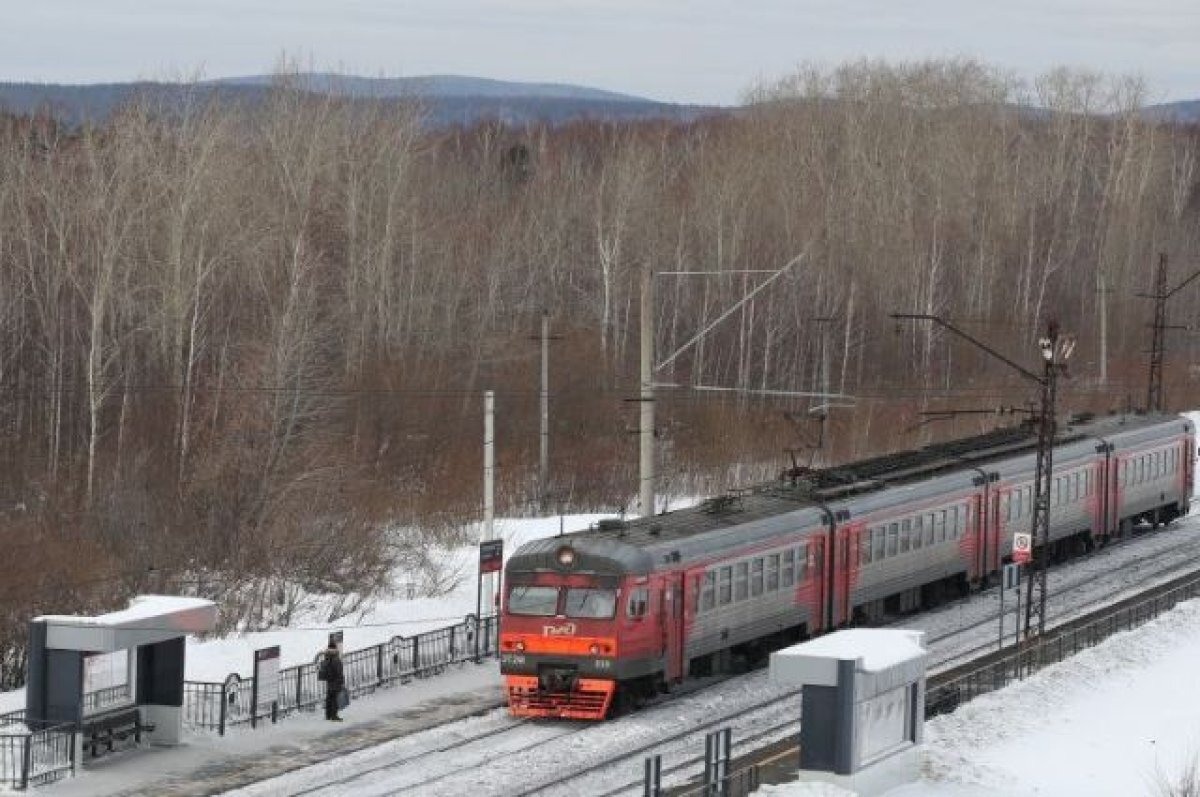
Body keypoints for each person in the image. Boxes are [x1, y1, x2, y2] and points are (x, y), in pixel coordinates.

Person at [318, 641, 345, 721]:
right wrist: (341, 681)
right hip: (336, 681)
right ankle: (334, 716)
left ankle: (328, 715)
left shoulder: (327, 656)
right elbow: (338, 671)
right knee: (334, 699)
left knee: (329, 698)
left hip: (329, 681)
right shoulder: (335, 658)